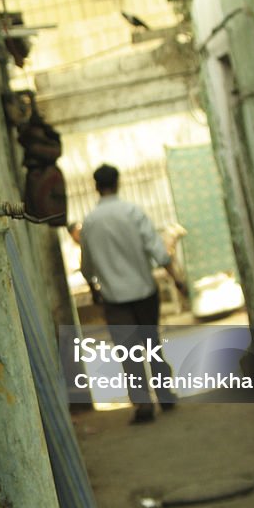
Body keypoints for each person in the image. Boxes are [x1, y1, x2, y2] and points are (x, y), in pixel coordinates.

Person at [80, 164, 188, 423]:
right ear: (118, 183)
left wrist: (96, 288)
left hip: (115, 299)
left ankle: (143, 405)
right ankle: (165, 394)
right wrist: (177, 280)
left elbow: (86, 268)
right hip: (144, 293)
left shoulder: (90, 223)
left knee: (128, 353)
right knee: (152, 345)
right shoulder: (133, 212)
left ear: (96, 187)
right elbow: (160, 253)